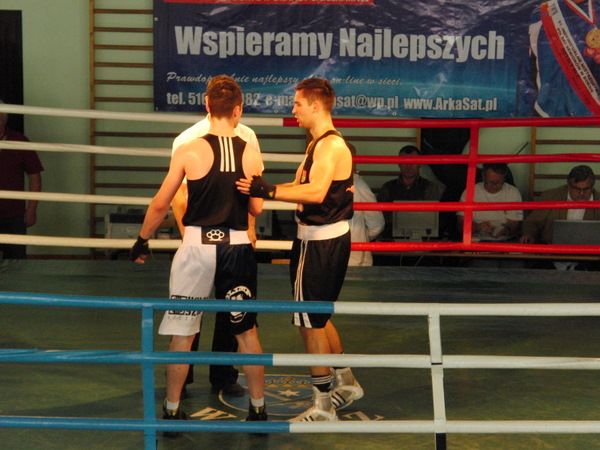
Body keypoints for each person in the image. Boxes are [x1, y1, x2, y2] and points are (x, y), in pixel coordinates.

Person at [130, 75, 267, 434]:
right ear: (238, 110)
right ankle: (258, 409)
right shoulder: (251, 152)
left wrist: (142, 240)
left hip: (196, 246)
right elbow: (256, 209)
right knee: (246, 331)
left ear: (207, 106)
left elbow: (161, 203)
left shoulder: (187, 149)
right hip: (237, 246)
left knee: (183, 333)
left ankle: (172, 410)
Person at [237, 77, 362, 422]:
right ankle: (347, 381)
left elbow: (316, 192)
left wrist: (268, 191)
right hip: (321, 239)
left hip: (320, 241)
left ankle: (323, 406)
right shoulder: (318, 144)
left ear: (316, 106)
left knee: (309, 323)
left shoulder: (330, 146)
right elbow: (300, 185)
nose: (293, 109)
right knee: (318, 316)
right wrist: (259, 188)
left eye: (298, 104)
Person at [170, 114, 262, 399]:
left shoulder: (248, 136)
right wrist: (187, 234)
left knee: (232, 312)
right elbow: (179, 195)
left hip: (234, 238)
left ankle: (223, 375)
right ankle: (182, 381)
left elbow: (251, 191)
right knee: (189, 314)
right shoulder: (187, 138)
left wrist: (250, 229)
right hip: (199, 236)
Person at [516, 0, 600, 117]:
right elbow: (528, 72)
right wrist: (523, 118)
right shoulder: (541, 14)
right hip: (546, 116)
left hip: (592, 117)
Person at [0, 103, 43, 259]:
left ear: (4, 119)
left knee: (17, 260)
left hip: (14, 213)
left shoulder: (19, 141)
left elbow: (35, 177)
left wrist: (32, 209)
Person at [520, 165, 600, 244]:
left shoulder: (598, 200)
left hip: (591, 251)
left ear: (592, 187)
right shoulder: (551, 197)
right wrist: (529, 235)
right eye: (577, 189)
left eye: (586, 189)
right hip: (552, 249)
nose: (581, 193)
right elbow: (532, 222)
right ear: (569, 187)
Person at [377, 145, 444, 238]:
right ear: (399, 163)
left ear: (420, 164)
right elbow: (379, 217)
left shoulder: (430, 187)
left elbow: (433, 218)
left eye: (413, 162)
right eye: (404, 162)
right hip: (391, 238)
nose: (408, 166)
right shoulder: (387, 187)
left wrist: (399, 216)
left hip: (422, 238)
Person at [457, 163, 523, 239]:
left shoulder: (512, 192)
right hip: (476, 241)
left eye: (499, 182)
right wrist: (476, 227)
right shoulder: (470, 192)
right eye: (491, 182)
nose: (494, 185)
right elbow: (460, 225)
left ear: (504, 178)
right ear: (483, 177)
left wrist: (506, 230)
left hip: (505, 241)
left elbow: (515, 225)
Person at [349, 171, 384, 266]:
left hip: (327, 259)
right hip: (357, 260)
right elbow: (377, 224)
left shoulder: (317, 183)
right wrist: (361, 237)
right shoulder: (357, 184)